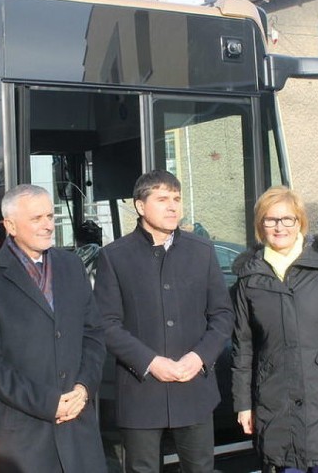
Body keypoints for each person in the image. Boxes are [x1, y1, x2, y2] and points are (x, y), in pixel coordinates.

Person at [94, 170, 233, 473]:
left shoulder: (202, 251)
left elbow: (222, 315)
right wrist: (151, 361)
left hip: (194, 387)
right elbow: (106, 324)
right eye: (162, 199)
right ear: (140, 206)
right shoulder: (114, 257)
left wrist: (200, 358)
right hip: (140, 389)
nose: (173, 206)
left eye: (177, 199)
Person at [0, 184, 106, 472]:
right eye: (37, 219)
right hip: (23, 439)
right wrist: (49, 402)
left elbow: (93, 334)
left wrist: (84, 387)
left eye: (50, 217)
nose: (48, 226)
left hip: (79, 430)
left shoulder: (72, 266)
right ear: (10, 225)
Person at [230, 186, 318, 473]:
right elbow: (242, 346)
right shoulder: (249, 279)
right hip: (276, 404)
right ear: (261, 225)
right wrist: (243, 404)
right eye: (271, 220)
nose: (279, 227)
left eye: (288, 219)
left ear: (300, 223)